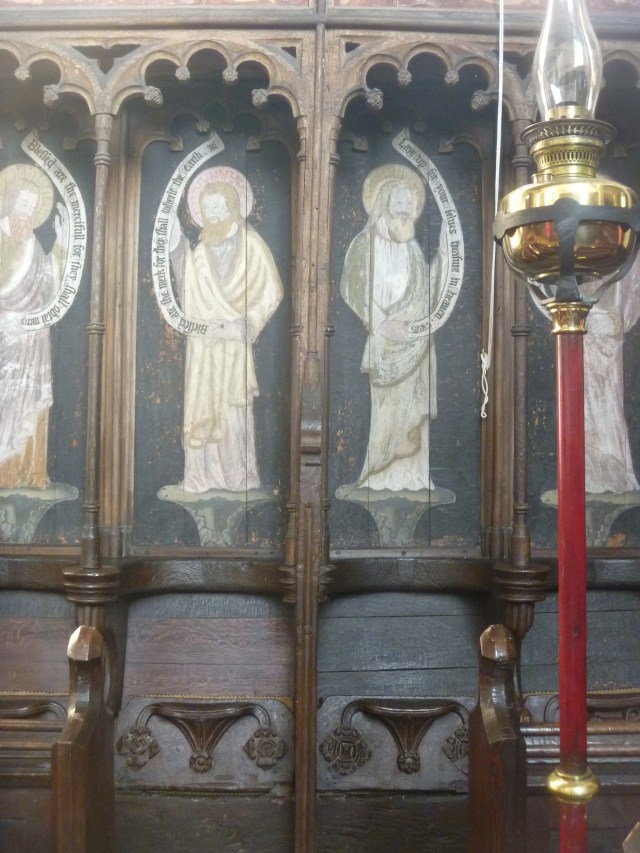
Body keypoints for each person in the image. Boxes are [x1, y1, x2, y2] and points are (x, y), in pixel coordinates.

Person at [169, 166, 283, 493]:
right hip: (204, 347)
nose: (213, 215)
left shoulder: (252, 245)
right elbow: (188, 286)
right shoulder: (201, 251)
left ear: (233, 207)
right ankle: (201, 475)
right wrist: (176, 245)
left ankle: (237, 474)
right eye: (207, 209)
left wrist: (246, 322)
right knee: (203, 405)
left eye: (219, 207)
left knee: (233, 411)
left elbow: (271, 291)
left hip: (233, 342)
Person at [340, 163, 447, 491]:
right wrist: (382, 322)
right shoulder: (365, 244)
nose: (404, 208)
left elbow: (426, 292)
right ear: (383, 201)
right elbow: (353, 288)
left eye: (409, 203)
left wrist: (444, 258)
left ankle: (413, 478)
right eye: (398, 200)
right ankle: (379, 475)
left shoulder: (412, 247)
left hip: (415, 341)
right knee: (387, 412)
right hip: (386, 340)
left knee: (413, 409)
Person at [0, 164, 66, 490]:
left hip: (30, 336)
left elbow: (48, 282)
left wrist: (62, 247)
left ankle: (26, 470)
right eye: (23, 203)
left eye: (32, 206)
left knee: (27, 400)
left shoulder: (33, 245)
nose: (26, 210)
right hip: (4, 332)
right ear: (10, 201)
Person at [581, 265, 640, 494]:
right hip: (582, 338)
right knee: (586, 407)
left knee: (609, 405)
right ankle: (589, 473)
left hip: (611, 342)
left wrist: (615, 321)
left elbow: (631, 293)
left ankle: (614, 469)